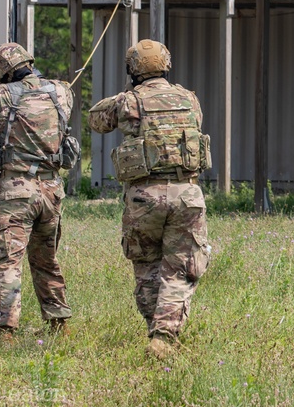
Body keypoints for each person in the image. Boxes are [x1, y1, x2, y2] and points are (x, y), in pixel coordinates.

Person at [88, 39, 212, 359]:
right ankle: (165, 334)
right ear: (166, 64)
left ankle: (155, 329)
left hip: (144, 197)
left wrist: (123, 95)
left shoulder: (129, 102)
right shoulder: (190, 99)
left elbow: (95, 119)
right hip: (187, 195)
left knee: (146, 265)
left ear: (132, 70)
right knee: (181, 267)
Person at [0, 43, 76, 337]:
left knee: (8, 260)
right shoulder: (61, 91)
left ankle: (5, 330)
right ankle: (58, 322)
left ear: (2, 71)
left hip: (16, 191)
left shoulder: (0, 96)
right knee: (46, 259)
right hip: (50, 190)